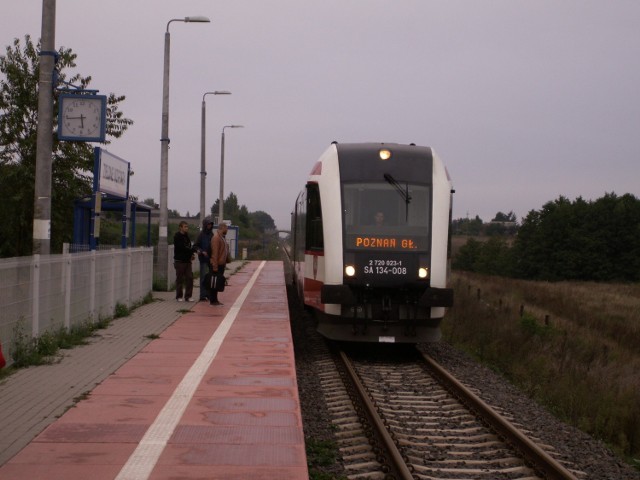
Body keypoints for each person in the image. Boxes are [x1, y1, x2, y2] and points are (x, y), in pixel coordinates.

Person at [173, 221, 196, 302]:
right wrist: (192, 250)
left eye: (187, 226)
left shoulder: (187, 237)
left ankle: (188, 296)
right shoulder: (177, 236)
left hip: (187, 261)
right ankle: (179, 296)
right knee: (180, 279)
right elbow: (182, 247)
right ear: (180, 227)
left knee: (189, 277)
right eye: (185, 226)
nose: (187, 228)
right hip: (180, 261)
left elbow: (189, 246)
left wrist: (192, 254)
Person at [209, 223, 230, 306]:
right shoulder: (216, 238)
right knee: (214, 283)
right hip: (216, 264)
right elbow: (215, 253)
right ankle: (213, 300)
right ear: (223, 228)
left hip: (221, 264)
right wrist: (215, 266)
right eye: (226, 228)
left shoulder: (222, 238)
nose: (227, 230)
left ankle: (215, 299)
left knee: (217, 283)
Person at [195, 217, 214, 301]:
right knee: (203, 277)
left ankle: (209, 294)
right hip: (203, 259)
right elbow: (195, 246)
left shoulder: (212, 234)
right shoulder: (201, 235)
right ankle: (202, 295)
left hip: (210, 259)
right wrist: (202, 251)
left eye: (211, 224)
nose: (209, 226)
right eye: (208, 224)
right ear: (205, 225)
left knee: (210, 277)